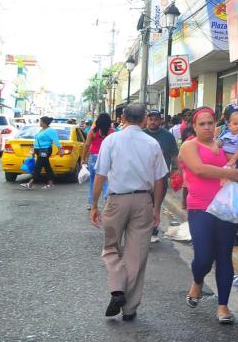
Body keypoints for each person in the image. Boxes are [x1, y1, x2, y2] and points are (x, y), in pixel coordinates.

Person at [89, 103, 168, 321]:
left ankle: (117, 289)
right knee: (137, 255)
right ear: (144, 119)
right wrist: (156, 207)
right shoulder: (152, 143)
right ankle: (130, 309)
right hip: (143, 200)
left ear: (123, 118)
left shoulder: (111, 140)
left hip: (116, 200)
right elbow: (160, 180)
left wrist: (94, 205)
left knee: (111, 248)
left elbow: (100, 175)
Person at [177, 106, 238, 324]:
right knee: (203, 257)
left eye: (210, 123)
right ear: (194, 126)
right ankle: (198, 280)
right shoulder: (189, 146)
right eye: (202, 124)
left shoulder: (225, 144)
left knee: (224, 256)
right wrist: (234, 174)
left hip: (225, 209)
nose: (207, 127)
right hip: (200, 208)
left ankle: (223, 306)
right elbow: (199, 169)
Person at [144, 110, 179, 243]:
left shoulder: (168, 136)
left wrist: (177, 170)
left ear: (160, 121)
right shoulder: (142, 134)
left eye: (156, 119)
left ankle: (153, 230)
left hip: (161, 177)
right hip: (144, 177)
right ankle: (144, 230)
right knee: (145, 204)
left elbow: (175, 155)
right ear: (147, 120)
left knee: (156, 204)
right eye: (151, 119)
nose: (153, 122)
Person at [21, 116, 63, 190]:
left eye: (41, 121)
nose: (39, 123)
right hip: (39, 151)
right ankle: (50, 184)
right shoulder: (42, 130)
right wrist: (33, 149)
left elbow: (56, 140)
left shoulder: (50, 130)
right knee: (47, 167)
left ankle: (30, 183)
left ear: (44, 123)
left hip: (45, 151)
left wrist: (60, 149)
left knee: (38, 167)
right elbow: (37, 140)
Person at [83, 113, 113, 206]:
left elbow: (87, 145)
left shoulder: (93, 131)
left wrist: (83, 158)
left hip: (94, 156)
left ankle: (91, 203)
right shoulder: (112, 132)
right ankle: (107, 200)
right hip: (107, 156)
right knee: (105, 180)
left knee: (92, 181)